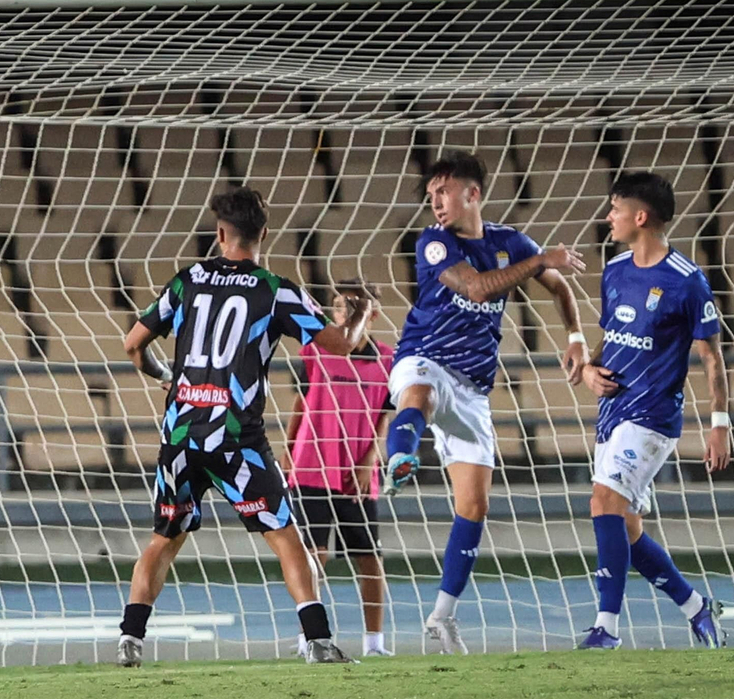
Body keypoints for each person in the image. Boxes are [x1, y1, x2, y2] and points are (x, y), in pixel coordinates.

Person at [117, 186, 373, 666]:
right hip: (237, 439)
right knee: (286, 537)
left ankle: (131, 639)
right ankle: (317, 641)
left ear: (219, 234)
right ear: (265, 234)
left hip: (181, 432)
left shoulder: (187, 279)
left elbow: (133, 343)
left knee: (164, 539)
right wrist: (359, 316)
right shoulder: (274, 290)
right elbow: (341, 344)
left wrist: (164, 376)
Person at [382, 151, 588, 654]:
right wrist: (540, 260)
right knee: (419, 394)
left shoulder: (508, 242)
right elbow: (475, 289)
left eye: (443, 192)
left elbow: (558, 285)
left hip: (473, 387)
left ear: (472, 194)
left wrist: (577, 334)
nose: (435, 202)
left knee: (474, 506)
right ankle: (400, 456)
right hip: (424, 358)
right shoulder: (432, 242)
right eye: (430, 195)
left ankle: (441, 616)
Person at [578, 172, 728, 649]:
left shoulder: (687, 281)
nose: (609, 217)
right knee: (626, 528)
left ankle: (607, 627)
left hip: (653, 418)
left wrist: (719, 425)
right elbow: (613, 336)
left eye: (615, 209)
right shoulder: (616, 269)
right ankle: (696, 608)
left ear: (640, 217)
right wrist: (587, 368)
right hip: (613, 413)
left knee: (603, 503)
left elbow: (711, 357)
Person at [286, 279, 395, 657]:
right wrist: (288, 452)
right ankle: (309, 637)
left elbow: (385, 414)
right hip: (312, 466)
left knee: (369, 558)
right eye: (338, 306)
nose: (344, 312)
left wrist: (370, 460)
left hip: (357, 473)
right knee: (315, 555)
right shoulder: (315, 351)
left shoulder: (388, 360)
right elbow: (301, 405)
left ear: (373, 313)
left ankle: (375, 643)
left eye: (353, 305)